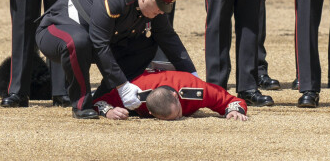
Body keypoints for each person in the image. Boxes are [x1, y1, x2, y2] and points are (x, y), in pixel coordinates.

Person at [36, 0, 197, 119]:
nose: (163, 11)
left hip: (92, 40)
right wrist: (123, 86)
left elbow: (168, 37)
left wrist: (192, 75)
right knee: (78, 41)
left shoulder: (152, 5)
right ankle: (81, 105)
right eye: (161, 5)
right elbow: (100, 44)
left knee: (146, 45)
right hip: (57, 29)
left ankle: (101, 99)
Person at [93, 70, 247, 121]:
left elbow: (232, 100)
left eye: (178, 114)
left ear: (175, 96)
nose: (179, 119)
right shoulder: (135, 91)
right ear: (150, 112)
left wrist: (234, 110)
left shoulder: (196, 89)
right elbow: (98, 100)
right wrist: (109, 111)